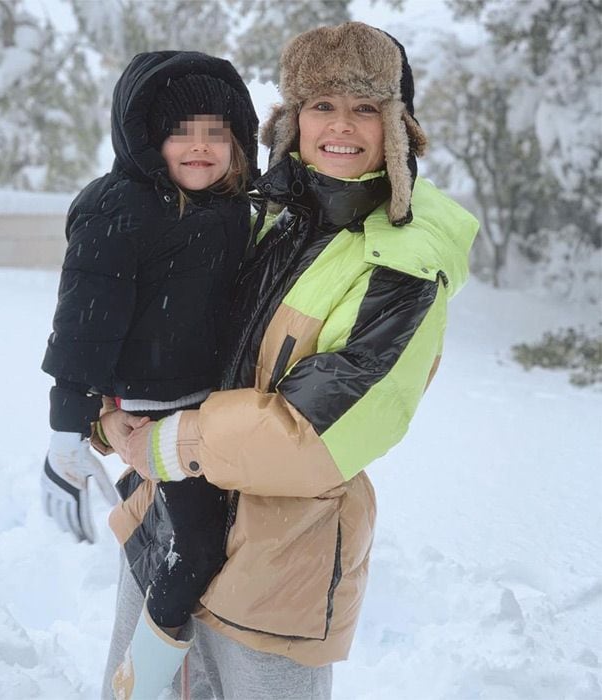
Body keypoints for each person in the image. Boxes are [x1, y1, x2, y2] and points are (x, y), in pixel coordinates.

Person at [110, 21, 480, 700]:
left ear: (397, 125)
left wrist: (167, 440)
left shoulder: (405, 266)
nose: (343, 126)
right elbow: (162, 320)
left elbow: (314, 434)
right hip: (170, 526)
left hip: (279, 567)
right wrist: (116, 407)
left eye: (365, 107)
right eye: (322, 105)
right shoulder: (262, 212)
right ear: (293, 119)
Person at [38, 50, 259, 699]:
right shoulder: (120, 208)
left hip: (209, 411)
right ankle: (143, 678)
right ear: (144, 137)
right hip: (152, 411)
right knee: (195, 548)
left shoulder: (230, 206)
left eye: (216, 132)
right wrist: (67, 425)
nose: (199, 147)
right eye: (179, 131)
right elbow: (84, 322)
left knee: (186, 536)